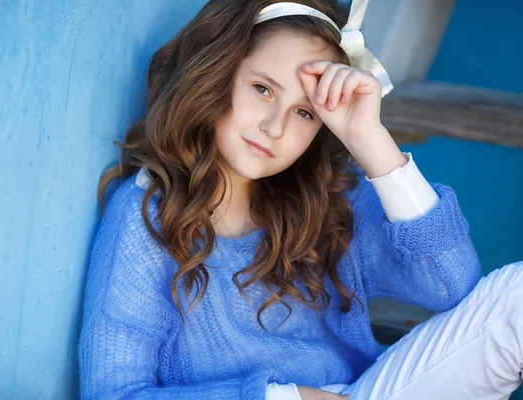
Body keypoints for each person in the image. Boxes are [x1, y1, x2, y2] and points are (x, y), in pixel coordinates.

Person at [78, 0, 523, 399]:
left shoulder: (329, 199)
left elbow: (454, 285)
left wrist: (371, 141)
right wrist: (284, 398)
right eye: (262, 89)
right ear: (216, 73)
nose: (275, 126)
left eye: (304, 112)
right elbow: (114, 392)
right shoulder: (147, 218)